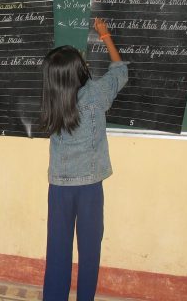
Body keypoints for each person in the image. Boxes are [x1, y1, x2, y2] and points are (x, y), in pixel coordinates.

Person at [39, 18, 128, 301]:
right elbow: (120, 71)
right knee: (90, 250)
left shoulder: (51, 99)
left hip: (60, 188)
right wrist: (106, 35)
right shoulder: (96, 94)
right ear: (80, 70)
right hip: (90, 186)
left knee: (58, 249)